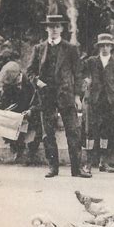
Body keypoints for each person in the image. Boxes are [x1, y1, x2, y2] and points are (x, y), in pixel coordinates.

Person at [26, 14, 90, 178]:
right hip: (46, 95)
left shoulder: (70, 48)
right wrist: (37, 82)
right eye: (50, 26)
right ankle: (53, 167)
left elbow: (78, 74)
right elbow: (30, 72)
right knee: (48, 133)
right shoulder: (39, 49)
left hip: (66, 95)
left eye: (57, 26)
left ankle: (77, 169)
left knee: (73, 132)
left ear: (61, 29)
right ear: (46, 28)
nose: (53, 30)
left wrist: (77, 96)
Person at [81, 33, 114, 174]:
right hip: (93, 101)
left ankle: (103, 162)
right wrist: (85, 82)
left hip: (109, 102)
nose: (105, 48)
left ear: (111, 47)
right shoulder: (91, 62)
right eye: (102, 46)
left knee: (106, 132)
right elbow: (79, 74)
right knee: (90, 133)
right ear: (98, 47)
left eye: (107, 45)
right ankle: (87, 163)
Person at [0, 60, 42, 165]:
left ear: (19, 75)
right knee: (2, 119)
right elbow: (2, 101)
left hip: (35, 114)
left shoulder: (33, 83)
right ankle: (17, 150)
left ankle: (30, 153)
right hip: (19, 116)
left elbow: (41, 102)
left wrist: (30, 111)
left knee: (42, 124)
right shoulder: (9, 85)